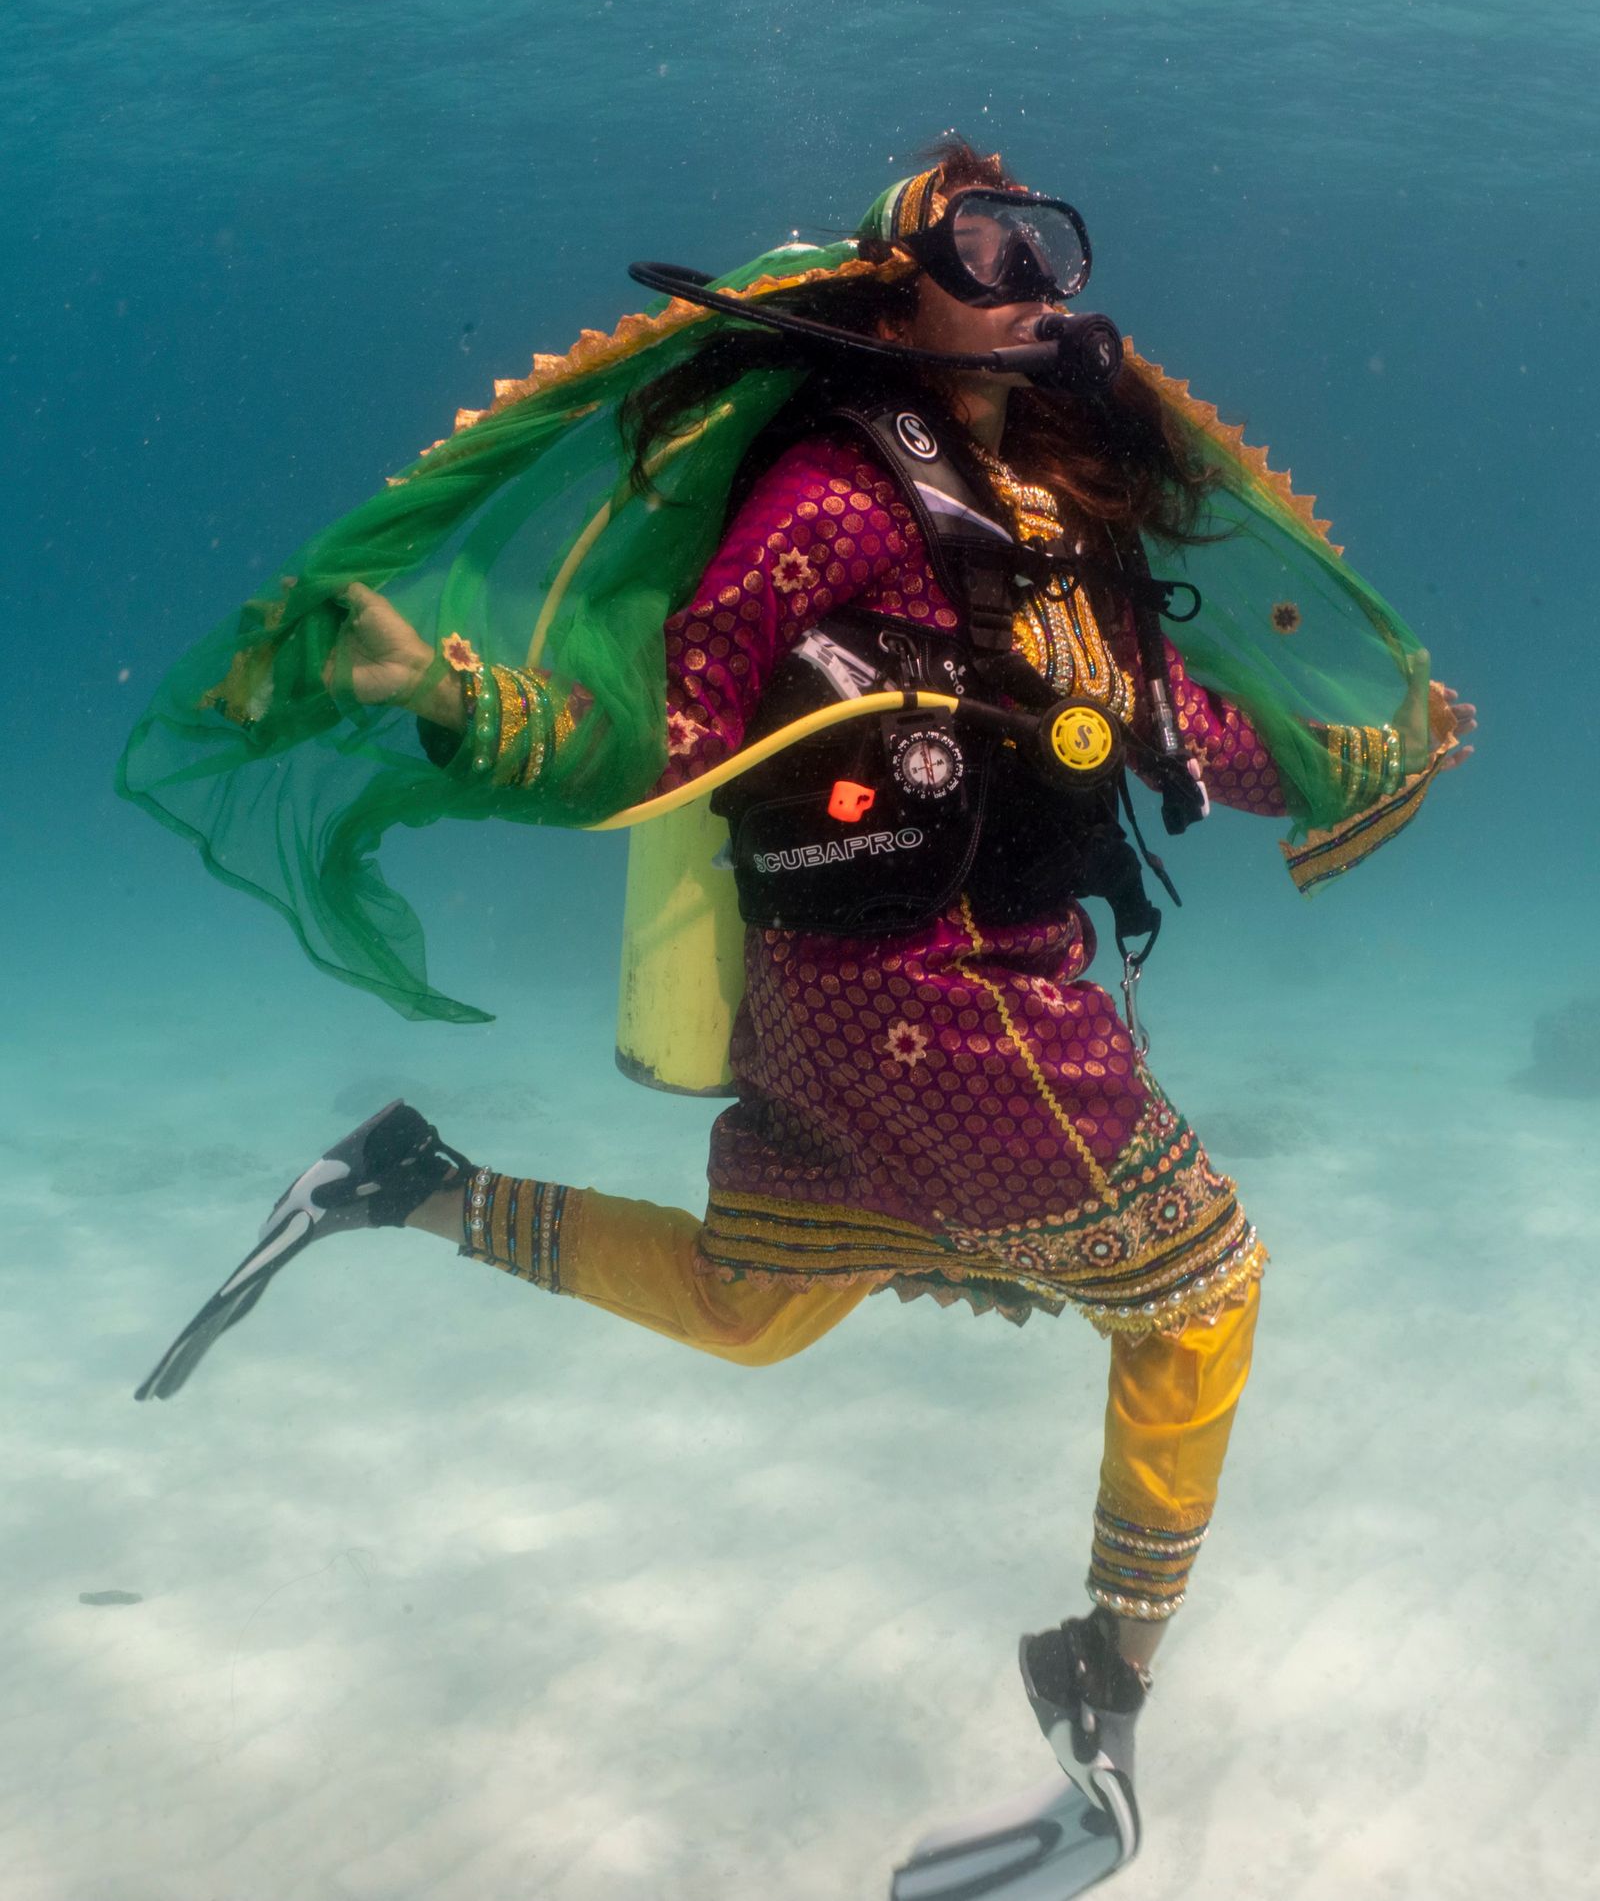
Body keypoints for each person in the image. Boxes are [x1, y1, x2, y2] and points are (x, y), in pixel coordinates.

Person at [121, 139, 1473, 1885]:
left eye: (1044, 244)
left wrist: (1376, 749)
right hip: (948, 1006)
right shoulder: (839, 489)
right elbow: (686, 712)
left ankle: (403, 1185)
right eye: (982, 246)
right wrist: (457, 695)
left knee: (747, 1311)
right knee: (1204, 1293)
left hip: (850, 1012)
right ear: (895, 296)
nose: (1029, 280)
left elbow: (1181, 728)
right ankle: (1104, 1684)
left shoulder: (1057, 517)